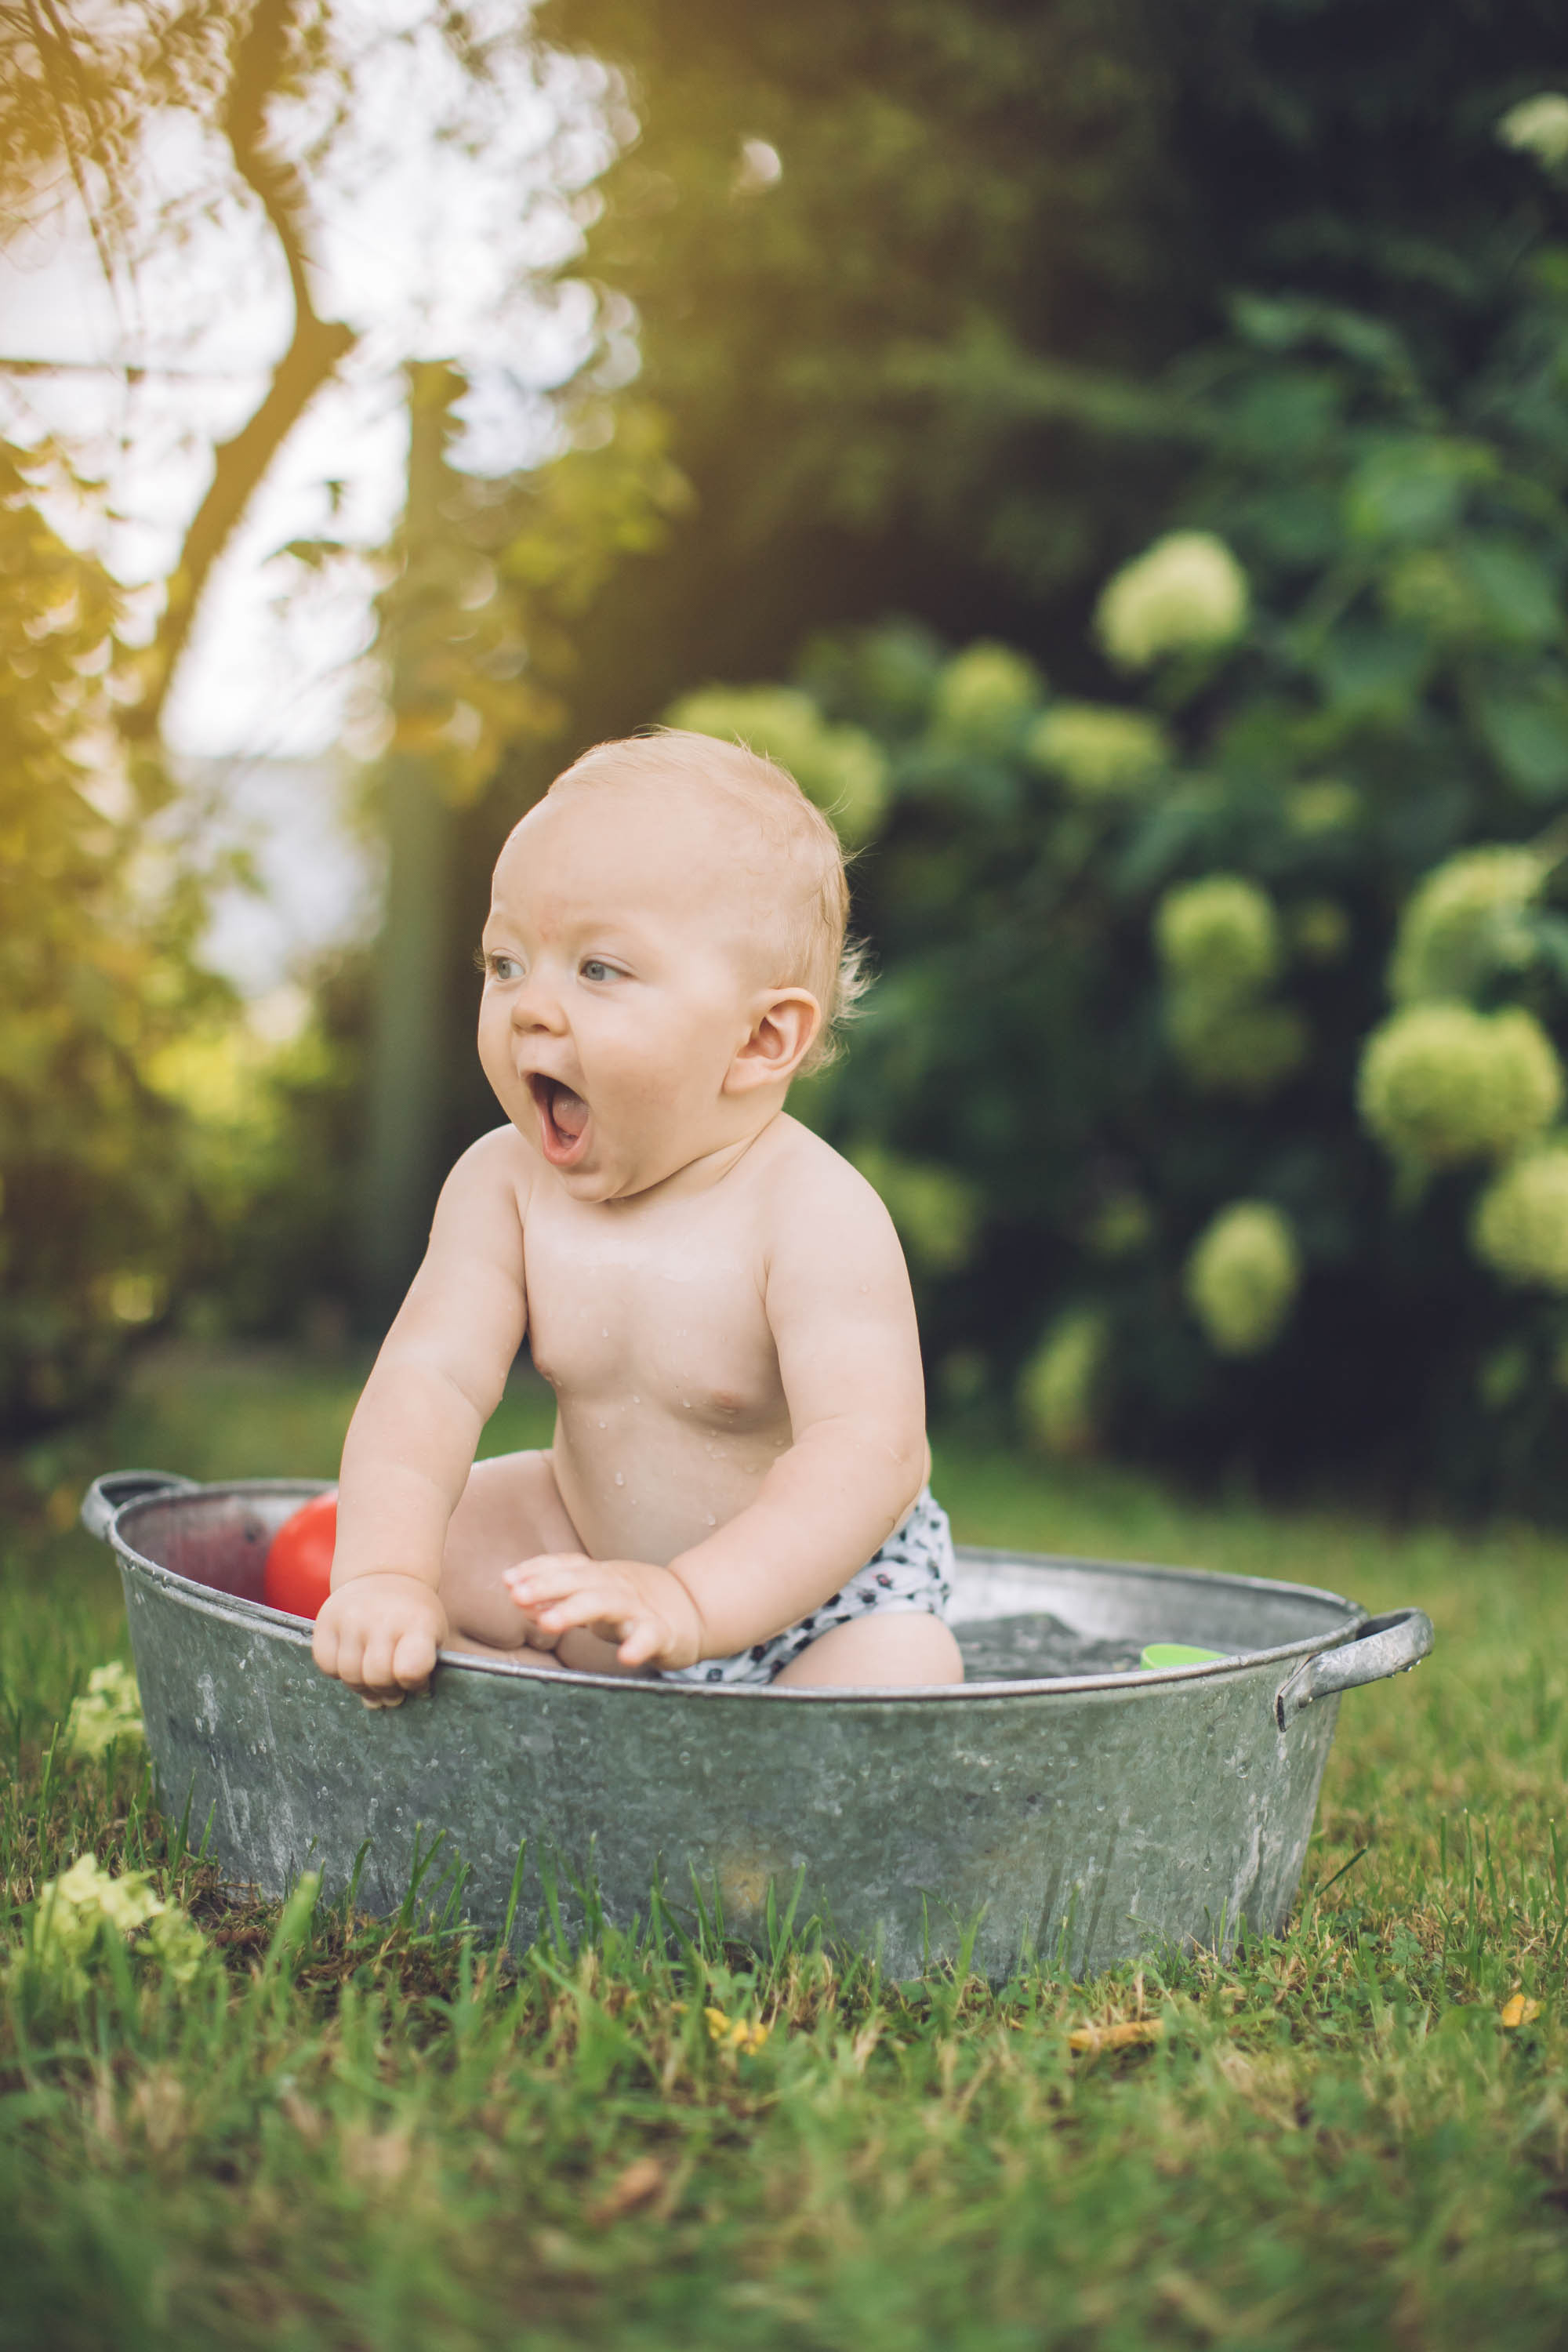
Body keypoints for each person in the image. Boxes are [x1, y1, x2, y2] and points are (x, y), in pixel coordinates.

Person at [310, 728, 964, 1706]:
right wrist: (384, 1575)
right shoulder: (504, 1185)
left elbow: (869, 1455)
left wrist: (691, 1599)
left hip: (814, 1603)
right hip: (590, 1553)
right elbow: (428, 1382)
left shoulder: (813, 1213)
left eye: (599, 971)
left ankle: (658, 1717)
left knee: (904, 1668)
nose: (530, 1007)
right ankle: (516, 1678)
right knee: (407, 1533)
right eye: (505, 962)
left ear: (758, 1039)